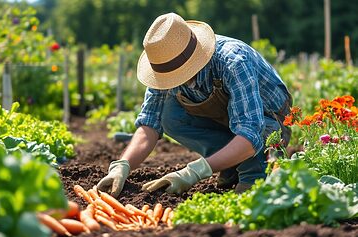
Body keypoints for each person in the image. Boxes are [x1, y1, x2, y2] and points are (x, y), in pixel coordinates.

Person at [97, 12, 292, 197]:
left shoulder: (233, 61)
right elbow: (150, 123)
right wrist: (122, 166)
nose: (171, 80)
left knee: (249, 190)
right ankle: (230, 164)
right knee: (170, 116)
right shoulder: (165, 64)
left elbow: (251, 132)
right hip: (230, 121)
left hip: (269, 122)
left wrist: (194, 171)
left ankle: (254, 171)